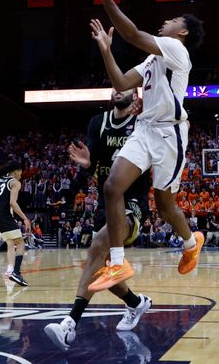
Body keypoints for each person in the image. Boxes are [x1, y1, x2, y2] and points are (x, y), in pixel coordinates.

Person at [82, 0, 206, 292]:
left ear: (182, 33)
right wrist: (107, 52)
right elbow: (122, 84)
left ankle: (191, 242)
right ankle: (119, 262)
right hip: (145, 129)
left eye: (174, 20)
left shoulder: (177, 50)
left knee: (166, 207)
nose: (167, 21)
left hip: (170, 135)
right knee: (111, 187)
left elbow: (133, 34)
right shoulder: (153, 60)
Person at [44, 89, 152, 351]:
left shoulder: (141, 123)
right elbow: (94, 164)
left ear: (136, 95)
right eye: (115, 87)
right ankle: (136, 303)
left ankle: (70, 324)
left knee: (97, 247)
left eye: (124, 87)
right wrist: (87, 164)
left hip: (132, 204)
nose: (118, 91)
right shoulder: (98, 122)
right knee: (100, 269)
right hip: (105, 206)